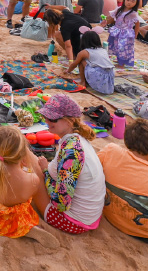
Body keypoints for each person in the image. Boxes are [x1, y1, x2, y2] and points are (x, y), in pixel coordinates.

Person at [28, 95, 105, 235]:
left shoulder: (72, 151)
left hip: (72, 221)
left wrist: (45, 171)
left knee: (28, 160)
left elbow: (61, 203)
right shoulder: (77, 139)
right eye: (46, 116)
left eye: (52, 119)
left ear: (69, 122)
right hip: (88, 217)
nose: (46, 121)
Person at [105, 0, 142, 68]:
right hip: (117, 31)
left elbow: (137, 23)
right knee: (116, 45)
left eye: (132, 1)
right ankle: (119, 59)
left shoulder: (133, 14)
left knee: (123, 48)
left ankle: (121, 64)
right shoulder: (119, 9)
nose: (129, 2)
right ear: (124, 0)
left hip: (126, 33)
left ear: (135, 4)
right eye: (128, 0)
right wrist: (105, 22)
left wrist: (136, 34)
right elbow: (112, 18)